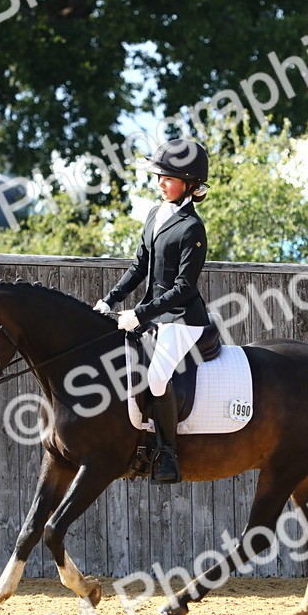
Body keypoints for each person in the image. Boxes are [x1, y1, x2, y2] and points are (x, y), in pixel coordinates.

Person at [94, 139, 211, 484]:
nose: (161, 182)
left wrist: (141, 315)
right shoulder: (155, 214)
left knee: (158, 376)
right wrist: (110, 299)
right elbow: (139, 265)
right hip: (154, 315)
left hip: (182, 319)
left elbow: (183, 288)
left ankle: (168, 454)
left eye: (169, 177)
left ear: (190, 184)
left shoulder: (192, 228)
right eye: (159, 175)